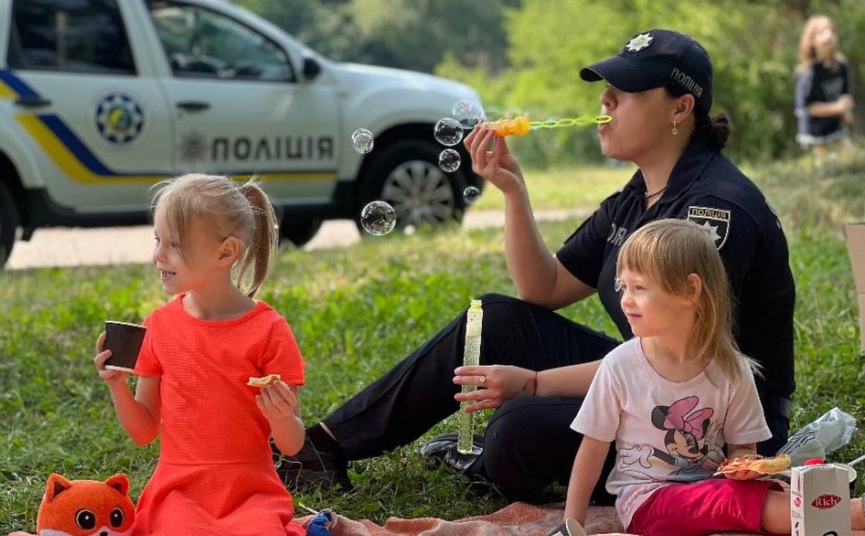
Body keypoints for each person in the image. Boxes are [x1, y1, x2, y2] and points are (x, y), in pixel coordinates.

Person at [282, 29, 796, 502]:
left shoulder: (715, 210)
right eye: (606, 89)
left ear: (680, 108)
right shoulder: (638, 196)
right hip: (654, 376)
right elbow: (544, 287)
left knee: (516, 429)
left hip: (716, 422)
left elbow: (683, 357)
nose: (606, 101)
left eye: (627, 91)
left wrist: (531, 383)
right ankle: (323, 448)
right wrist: (512, 190)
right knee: (494, 319)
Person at [561, 218, 865, 536]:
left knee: (768, 493)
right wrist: (571, 524)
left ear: (691, 291)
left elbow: (743, 451)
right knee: (740, 502)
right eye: (623, 286)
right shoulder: (620, 366)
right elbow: (592, 450)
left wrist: (746, 469)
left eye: (639, 288)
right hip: (647, 503)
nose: (625, 298)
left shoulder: (730, 370)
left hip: (711, 490)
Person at [94, 174, 306, 536]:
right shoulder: (159, 327)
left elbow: (292, 445)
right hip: (179, 491)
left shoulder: (269, 330)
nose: (158, 255)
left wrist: (282, 416)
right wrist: (117, 386)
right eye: (157, 239)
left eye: (175, 244)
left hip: (249, 490)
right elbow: (144, 430)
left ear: (225, 252)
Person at [795, 15, 854, 158]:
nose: (828, 35)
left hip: (836, 129)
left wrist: (846, 110)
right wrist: (836, 108)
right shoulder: (808, 72)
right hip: (814, 135)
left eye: (830, 30)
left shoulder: (841, 65)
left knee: (852, 158)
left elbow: (843, 95)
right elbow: (806, 108)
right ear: (812, 40)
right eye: (821, 32)